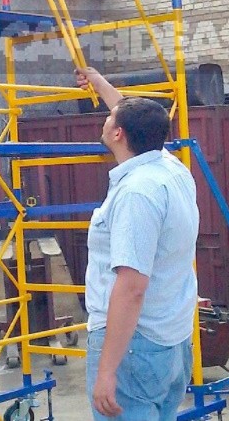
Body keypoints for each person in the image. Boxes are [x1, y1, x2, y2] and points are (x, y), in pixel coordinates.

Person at [76, 66, 199, 421]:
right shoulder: (169, 169)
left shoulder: (136, 194)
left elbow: (131, 288)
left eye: (111, 117)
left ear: (117, 133)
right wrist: (100, 85)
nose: (108, 115)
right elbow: (133, 117)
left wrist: (107, 371)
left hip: (134, 347)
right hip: (170, 342)